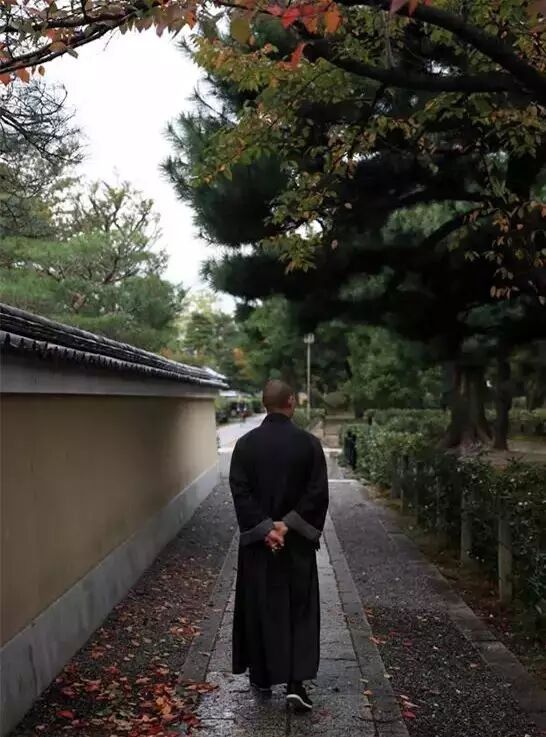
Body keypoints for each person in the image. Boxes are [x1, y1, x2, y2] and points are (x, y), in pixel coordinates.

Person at [229, 379, 329, 712]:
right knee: (299, 609)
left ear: (264, 404)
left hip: (260, 547)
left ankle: (262, 676)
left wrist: (265, 529)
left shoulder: (245, 445)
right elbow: (317, 492)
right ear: (290, 402)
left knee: (261, 608)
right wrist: (288, 525)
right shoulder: (309, 444)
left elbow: (240, 491)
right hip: (296, 544)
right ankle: (296, 683)